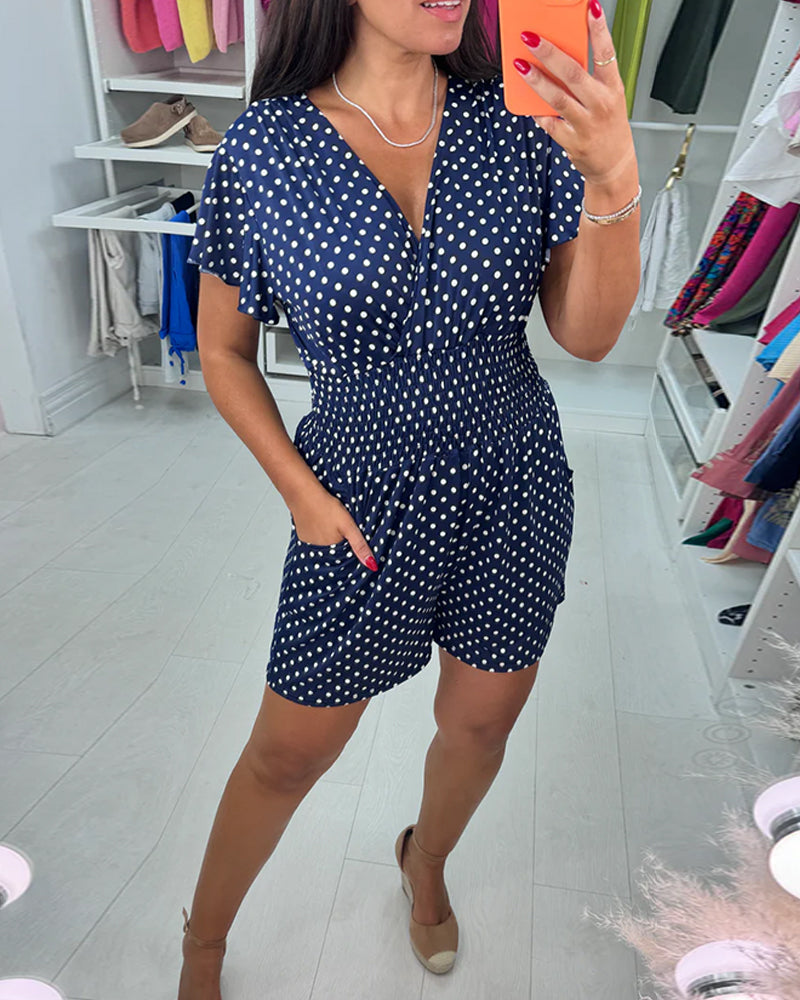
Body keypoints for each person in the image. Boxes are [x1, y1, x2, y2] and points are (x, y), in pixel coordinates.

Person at [178, 0, 640, 995]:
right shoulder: (264, 147)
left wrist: (613, 177)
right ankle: (203, 943)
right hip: (352, 500)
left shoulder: (515, 123)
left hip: (512, 483)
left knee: (480, 725)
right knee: (288, 752)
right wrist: (301, 495)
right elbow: (222, 351)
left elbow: (588, 335)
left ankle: (423, 862)